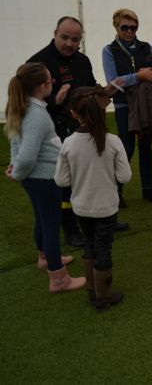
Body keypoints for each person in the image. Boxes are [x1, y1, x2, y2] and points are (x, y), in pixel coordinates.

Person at [4, 62, 86, 293]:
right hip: (44, 178)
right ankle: (59, 278)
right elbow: (28, 154)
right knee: (51, 224)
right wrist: (18, 170)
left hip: (35, 179)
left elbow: (16, 143)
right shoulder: (37, 115)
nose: (53, 84)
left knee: (42, 219)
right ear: (41, 87)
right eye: (50, 81)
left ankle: (45, 257)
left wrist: (14, 167)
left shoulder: (25, 108)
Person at [54, 88, 131, 311]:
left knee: (89, 245)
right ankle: (103, 297)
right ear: (102, 111)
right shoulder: (114, 141)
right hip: (106, 207)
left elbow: (61, 180)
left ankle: (93, 292)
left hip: (81, 207)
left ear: (74, 114)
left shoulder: (68, 143)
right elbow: (124, 176)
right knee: (103, 249)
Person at [26, 17, 93, 247]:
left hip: (82, 131)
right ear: (55, 33)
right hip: (51, 134)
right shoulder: (36, 64)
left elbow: (91, 88)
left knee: (85, 177)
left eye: (75, 39)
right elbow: (25, 104)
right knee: (62, 183)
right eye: (65, 37)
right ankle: (70, 228)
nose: (70, 43)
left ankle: (94, 219)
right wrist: (54, 102)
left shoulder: (83, 61)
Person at [102, 8, 152, 205]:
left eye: (133, 27)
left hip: (145, 104)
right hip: (123, 106)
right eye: (125, 27)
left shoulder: (146, 47)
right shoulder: (109, 50)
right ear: (116, 26)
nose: (129, 31)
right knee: (125, 149)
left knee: (146, 147)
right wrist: (138, 76)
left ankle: (148, 189)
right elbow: (112, 82)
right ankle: (116, 192)